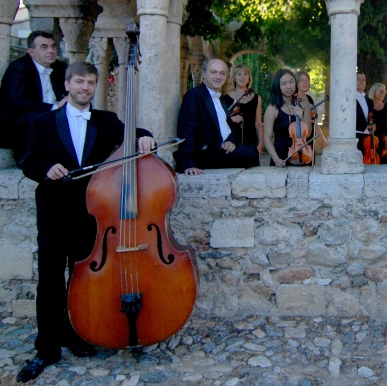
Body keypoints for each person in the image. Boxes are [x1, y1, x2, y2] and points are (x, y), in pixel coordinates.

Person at [18, 61, 155, 383]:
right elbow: (28, 161)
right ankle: (46, 348)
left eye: (91, 83)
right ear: (67, 84)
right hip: (53, 213)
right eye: (79, 82)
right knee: (50, 280)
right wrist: (46, 169)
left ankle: (75, 333)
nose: (85, 88)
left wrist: (145, 137)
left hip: (91, 213)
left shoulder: (105, 122)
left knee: (81, 278)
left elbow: (133, 131)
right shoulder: (43, 122)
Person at [174, 59, 260, 174]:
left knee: (251, 152)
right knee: (251, 153)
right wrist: (188, 165)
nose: (218, 76)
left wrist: (230, 141)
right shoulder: (194, 96)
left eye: (222, 73)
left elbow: (229, 125)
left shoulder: (220, 98)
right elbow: (186, 132)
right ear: (204, 74)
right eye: (213, 72)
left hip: (221, 149)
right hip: (204, 154)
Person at [0, 30, 69, 164]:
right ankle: (27, 160)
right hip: (20, 119)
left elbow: (68, 91)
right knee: (39, 119)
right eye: (44, 47)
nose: (51, 50)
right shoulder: (19, 68)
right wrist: (53, 107)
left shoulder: (59, 67)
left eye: (53, 46)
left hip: (51, 113)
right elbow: (18, 103)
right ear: (31, 52)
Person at [264, 68, 312, 167]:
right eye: (284, 83)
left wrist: (302, 117)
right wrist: (276, 159)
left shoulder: (304, 104)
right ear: (278, 86)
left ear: (295, 83)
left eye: (291, 82)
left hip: (302, 155)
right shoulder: (272, 108)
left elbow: (309, 133)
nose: (289, 86)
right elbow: (267, 138)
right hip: (280, 157)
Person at [222, 64, 263, 154]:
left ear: (249, 78)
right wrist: (231, 119)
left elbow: (258, 123)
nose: (242, 77)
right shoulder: (225, 99)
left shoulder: (256, 98)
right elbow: (220, 122)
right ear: (234, 78)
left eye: (245, 74)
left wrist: (260, 144)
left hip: (251, 141)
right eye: (239, 74)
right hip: (232, 142)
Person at [355, 71, 375, 155]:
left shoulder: (369, 101)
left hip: (368, 136)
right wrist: (364, 126)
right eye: (358, 79)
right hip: (356, 135)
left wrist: (374, 124)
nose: (361, 82)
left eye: (363, 80)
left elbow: (372, 117)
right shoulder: (349, 99)